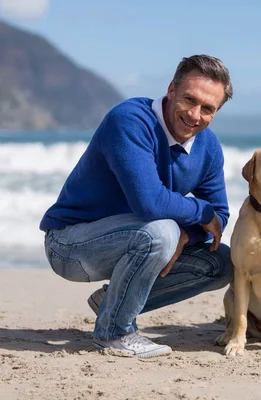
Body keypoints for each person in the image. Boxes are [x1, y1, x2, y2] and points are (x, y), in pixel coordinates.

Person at [39, 54, 234, 358]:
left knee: (222, 263)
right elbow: (149, 202)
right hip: (70, 245)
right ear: (171, 89)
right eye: (189, 100)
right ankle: (115, 332)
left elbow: (219, 218)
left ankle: (111, 304)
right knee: (162, 232)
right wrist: (199, 215)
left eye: (208, 109)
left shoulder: (208, 148)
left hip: (139, 240)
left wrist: (189, 235)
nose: (195, 115)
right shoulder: (130, 119)